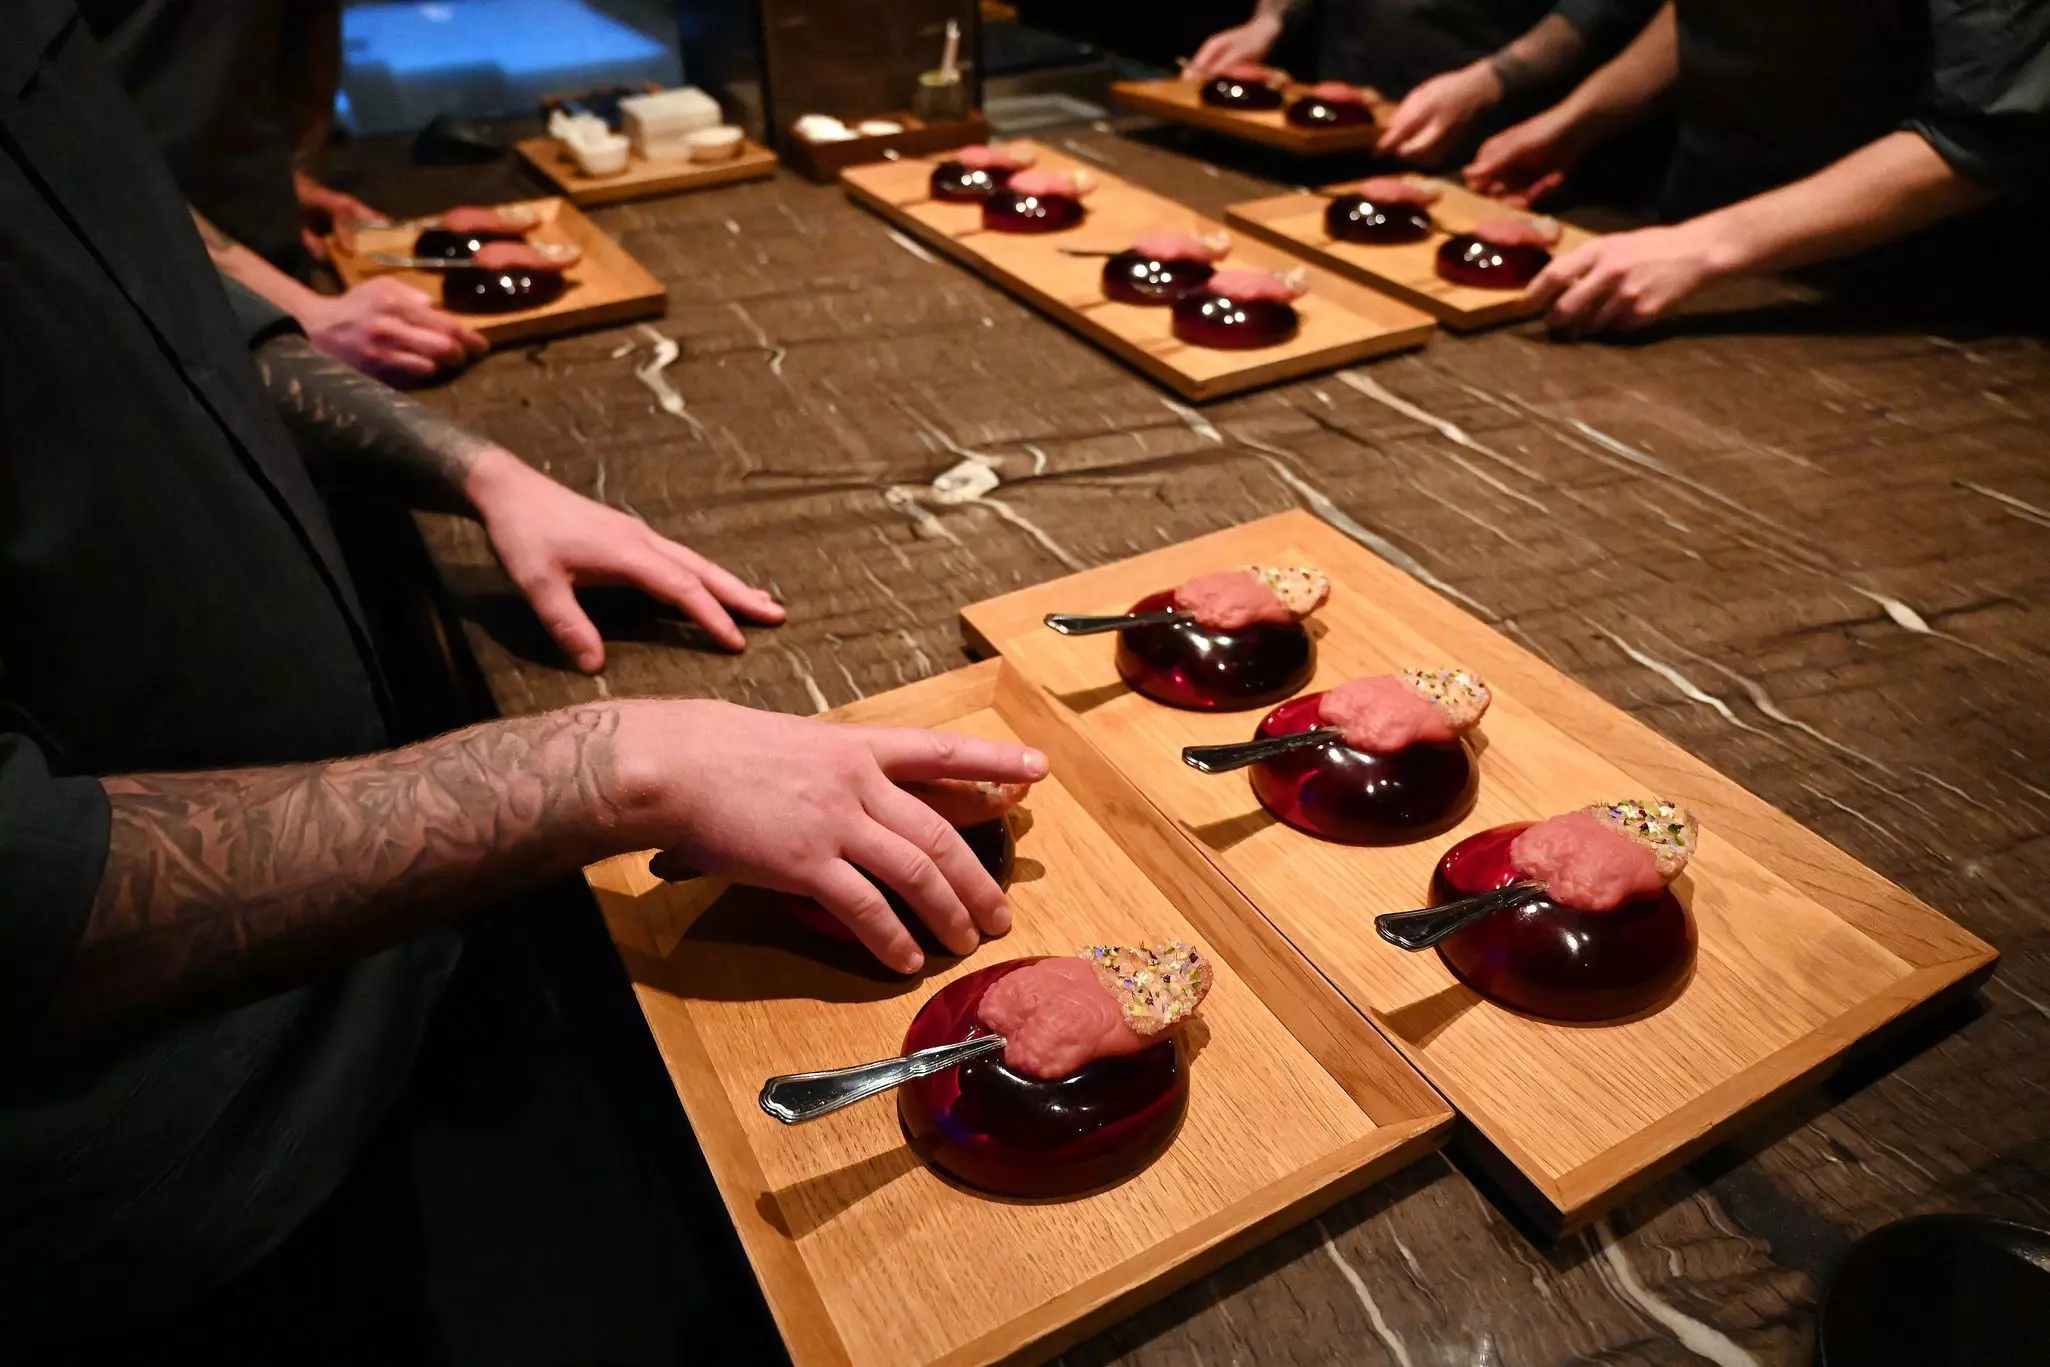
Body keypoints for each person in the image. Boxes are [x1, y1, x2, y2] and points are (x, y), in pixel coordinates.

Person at [0, 1, 1046, 1350]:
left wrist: (477, 468)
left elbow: (163, 283)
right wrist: (612, 765)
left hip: (382, 1009)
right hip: (166, 1195)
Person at [1459, 0, 2050, 332]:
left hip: (1893, 304)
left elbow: (1987, 133)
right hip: (1693, 254)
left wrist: (1704, 246)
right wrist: (1581, 118)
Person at [81, 0, 488, 383]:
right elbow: (71, 157)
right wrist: (305, 315)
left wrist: (292, 178)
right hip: (132, 315)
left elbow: (302, 30)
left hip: (271, 267)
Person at [1184, 0, 1649, 162]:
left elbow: (1600, 6)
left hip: (1486, 119)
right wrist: (1269, 21)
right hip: (1336, 104)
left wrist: (1493, 81)